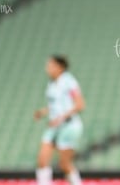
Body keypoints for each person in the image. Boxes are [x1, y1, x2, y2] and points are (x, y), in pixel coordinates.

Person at [34, 55, 85, 185]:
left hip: (69, 126)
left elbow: (80, 104)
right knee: (42, 160)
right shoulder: (51, 83)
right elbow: (54, 106)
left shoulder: (69, 82)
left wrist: (60, 118)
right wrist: (42, 112)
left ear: (60, 67)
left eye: (51, 65)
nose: (47, 68)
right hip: (54, 127)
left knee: (64, 164)